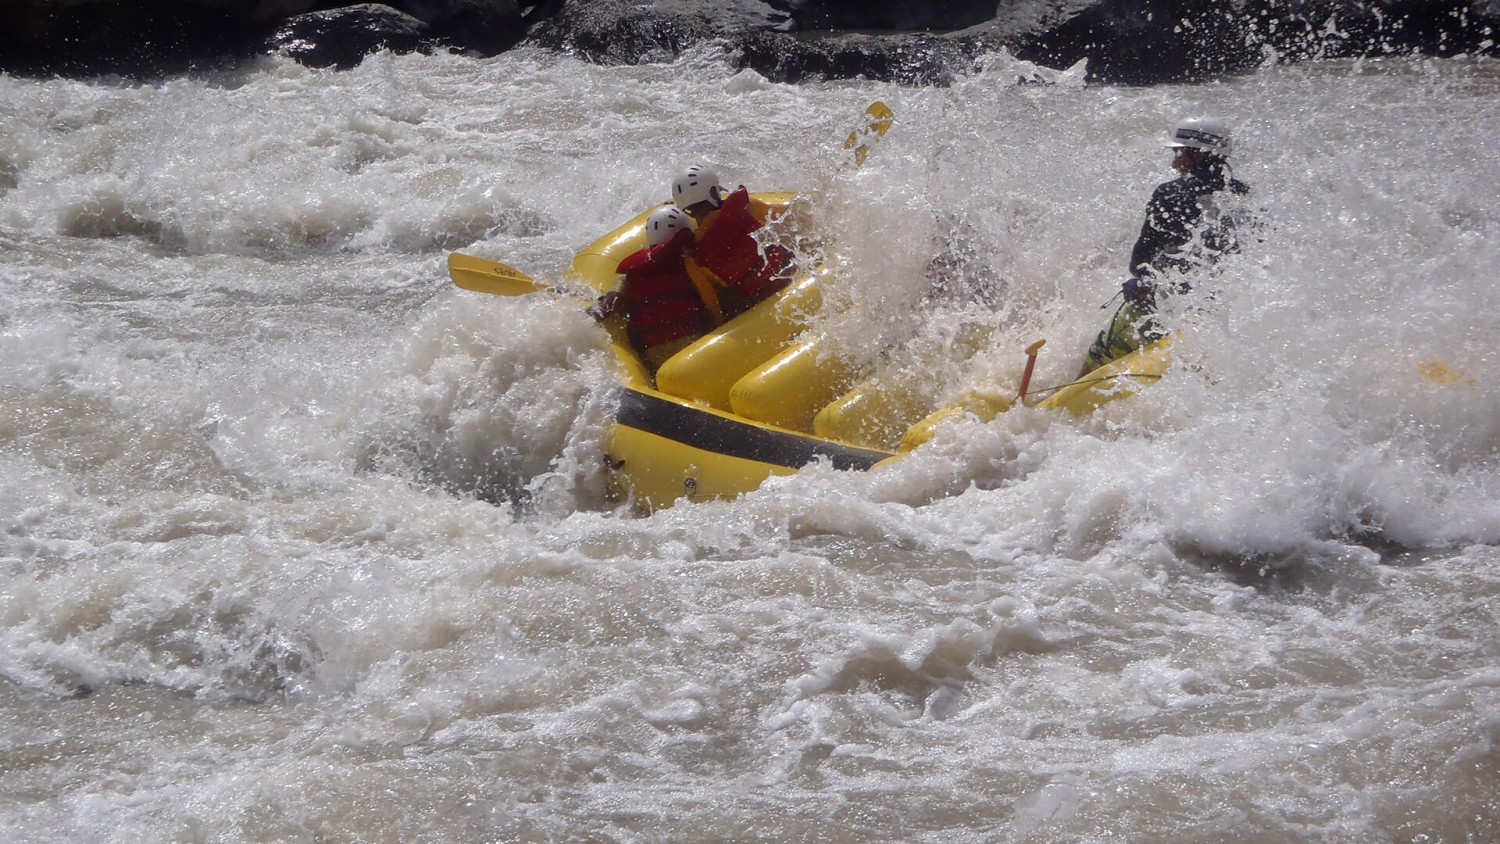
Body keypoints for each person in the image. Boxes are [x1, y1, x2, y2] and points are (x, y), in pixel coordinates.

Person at [1079, 117, 1252, 376]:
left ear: (1198, 154)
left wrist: (1140, 280)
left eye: (1178, 152)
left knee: (1098, 354)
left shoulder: (1169, 194)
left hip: (1160, 304)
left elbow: (1139, 261)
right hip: (1217, 312)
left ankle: (1065, 395)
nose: (1174, 161)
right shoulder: (1242, 195)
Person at [593, 206, 722, 370]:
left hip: (655, 356)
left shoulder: (629, 273)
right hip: (693, 346)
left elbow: (610, 303)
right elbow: (710, 297)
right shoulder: (689, 262)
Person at [670, 164, 795, 317]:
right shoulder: (747, 207)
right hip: (792, 277)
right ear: (712, 192)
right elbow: (791, 218)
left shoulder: (694, 258)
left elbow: (713, 303)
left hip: (759, 305)